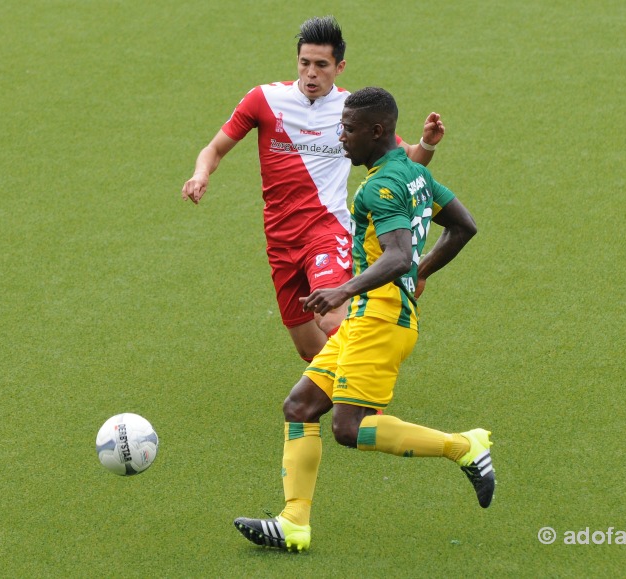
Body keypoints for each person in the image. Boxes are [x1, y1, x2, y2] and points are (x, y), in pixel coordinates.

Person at [232, 87, 493, 553]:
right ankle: (293, 522)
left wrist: (344, 287)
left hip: (380, 318)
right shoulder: (413, 173)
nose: (341, 137)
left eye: (349, 129)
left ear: (376, 131)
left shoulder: (381, 186)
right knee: (300, 407)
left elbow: (396, 256)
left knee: (349, 428)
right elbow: (462, 226)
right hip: (367, 317)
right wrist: (421, 273)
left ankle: (464, 446)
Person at [181, 16, 445, 362]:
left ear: (340, 67)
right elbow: (213, 149)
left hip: (326, 230)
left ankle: (368, 403)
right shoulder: (264, 100)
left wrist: (427, 143)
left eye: (322, 65)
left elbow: (409, 159)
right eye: (305, 63)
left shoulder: (352, 111)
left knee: (331, 316)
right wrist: (201, 174)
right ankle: (357, 377)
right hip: (279, 238)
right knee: (310, 348)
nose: (311, 73)